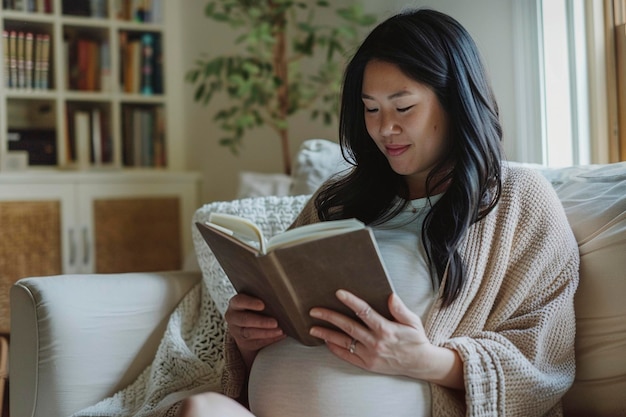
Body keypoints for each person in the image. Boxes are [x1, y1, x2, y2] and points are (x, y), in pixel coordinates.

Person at [177, 8, 579, 417]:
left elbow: (543, 361)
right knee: (201, 408)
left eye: (403, 108)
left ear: (456, 103)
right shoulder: (334, 200)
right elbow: (263, 352)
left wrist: (423, 359)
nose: (385, 128)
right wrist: (250, 339)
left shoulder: (516, 200)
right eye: (371, 109)